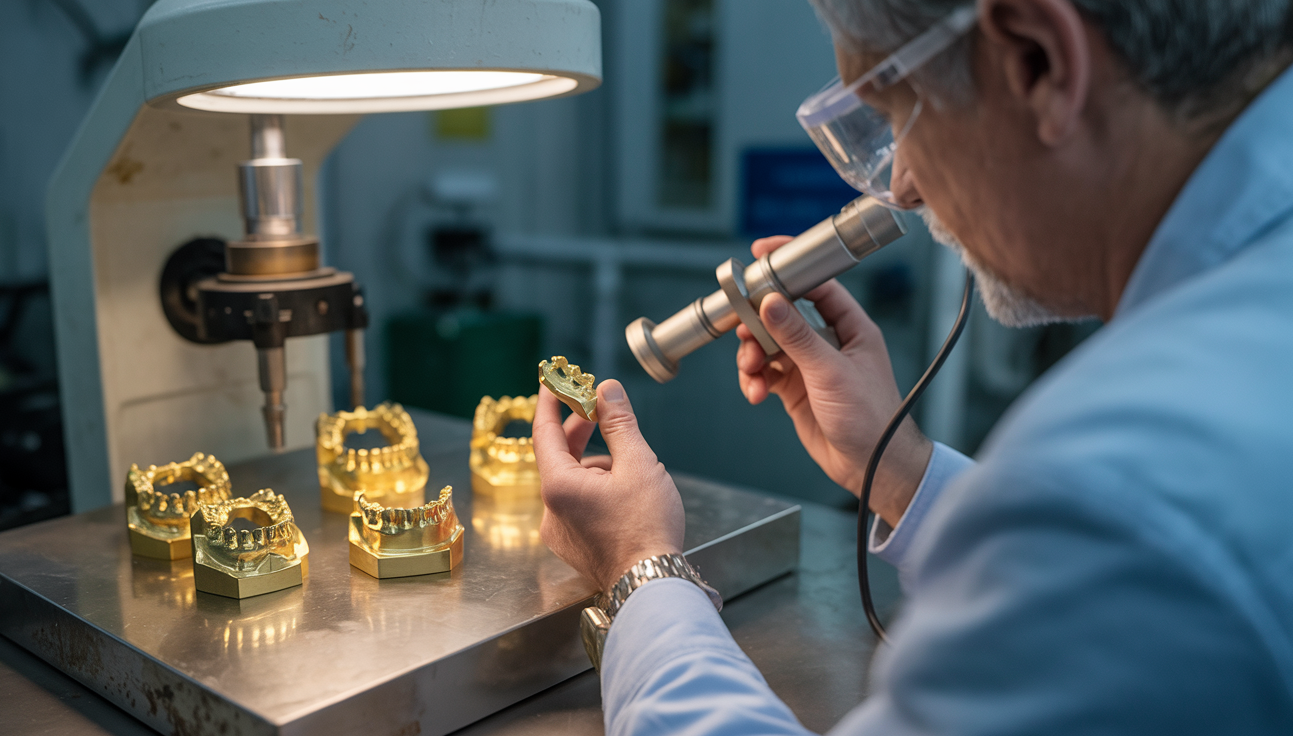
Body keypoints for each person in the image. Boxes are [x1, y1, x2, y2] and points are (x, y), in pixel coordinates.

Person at [531, 0, 1293, 732]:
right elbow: (1131, 616)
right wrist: (901, 471)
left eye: (896, 115)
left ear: (1038, 59)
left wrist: (640, 570)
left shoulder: (1120, 478)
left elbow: (1108, 536)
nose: (901, 187)